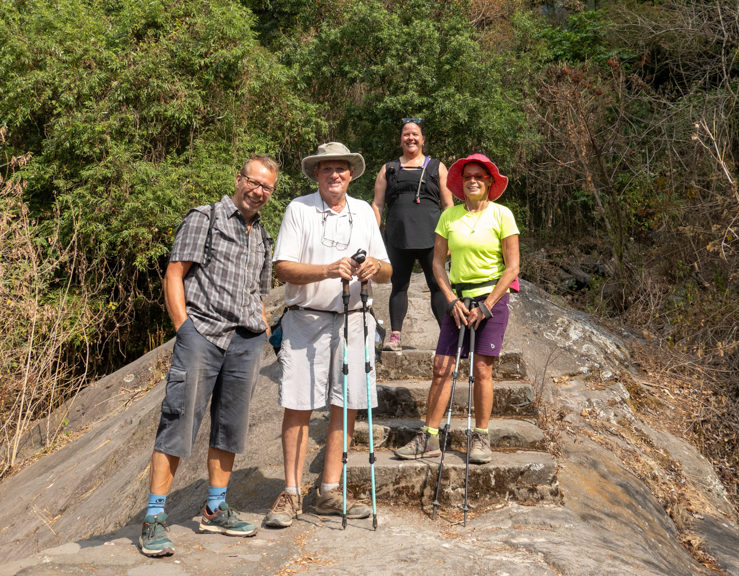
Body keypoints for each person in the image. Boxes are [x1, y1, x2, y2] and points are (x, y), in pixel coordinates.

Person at [139, 154, 278, 557]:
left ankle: (215, 509)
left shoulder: (263, 234)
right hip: (203, 333)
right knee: (178, 423)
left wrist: (264, 326)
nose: (259, 191)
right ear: (239, 178)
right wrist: (183, 328)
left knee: (230, 429)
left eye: (267, 187)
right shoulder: (206, 217)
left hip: (247, 340)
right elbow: (174, 273)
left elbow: (259, 291)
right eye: (254, 182)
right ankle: (153, 518)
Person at [265, 142, 392, 528]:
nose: (334, 175)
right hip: (306, 319)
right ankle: (290, 491)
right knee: (299, 402)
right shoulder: (298, 209)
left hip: (356, 319)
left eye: (341, 169)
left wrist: (373, 266)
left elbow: (388, 270)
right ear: (316, 174)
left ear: (351, 174)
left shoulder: (364, 214)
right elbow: (282, 268)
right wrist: (325, 270)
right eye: (326, 169)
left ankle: (329, 491)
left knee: (347, 402)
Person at [393, 153, 519, 464]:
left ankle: (481, 436)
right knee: (441, 367)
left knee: (482, 369)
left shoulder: (502, 215)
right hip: (458, 301)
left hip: (492, 299)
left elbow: (513, 266)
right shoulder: (449, 217)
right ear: (460, 184)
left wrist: (487, 306)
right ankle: (430, 437)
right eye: (467, 176)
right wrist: (449, 299)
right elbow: (437, 262)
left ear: (489, 181)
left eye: (479, 176)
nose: (472, 180)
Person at [371, 118, 453, 351]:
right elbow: (377, 205)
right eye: (406, 134)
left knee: (438, 286)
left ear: (423, 139)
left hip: (432, 238)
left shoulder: (437, 167)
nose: (410, 138)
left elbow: (448, 206)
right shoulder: (389, 168)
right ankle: (395, 336)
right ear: (400, 140)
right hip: (398, 237)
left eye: (415, 134)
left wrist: (449, 241)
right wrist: (371, 236)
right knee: (399, 286)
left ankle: (446, 337)